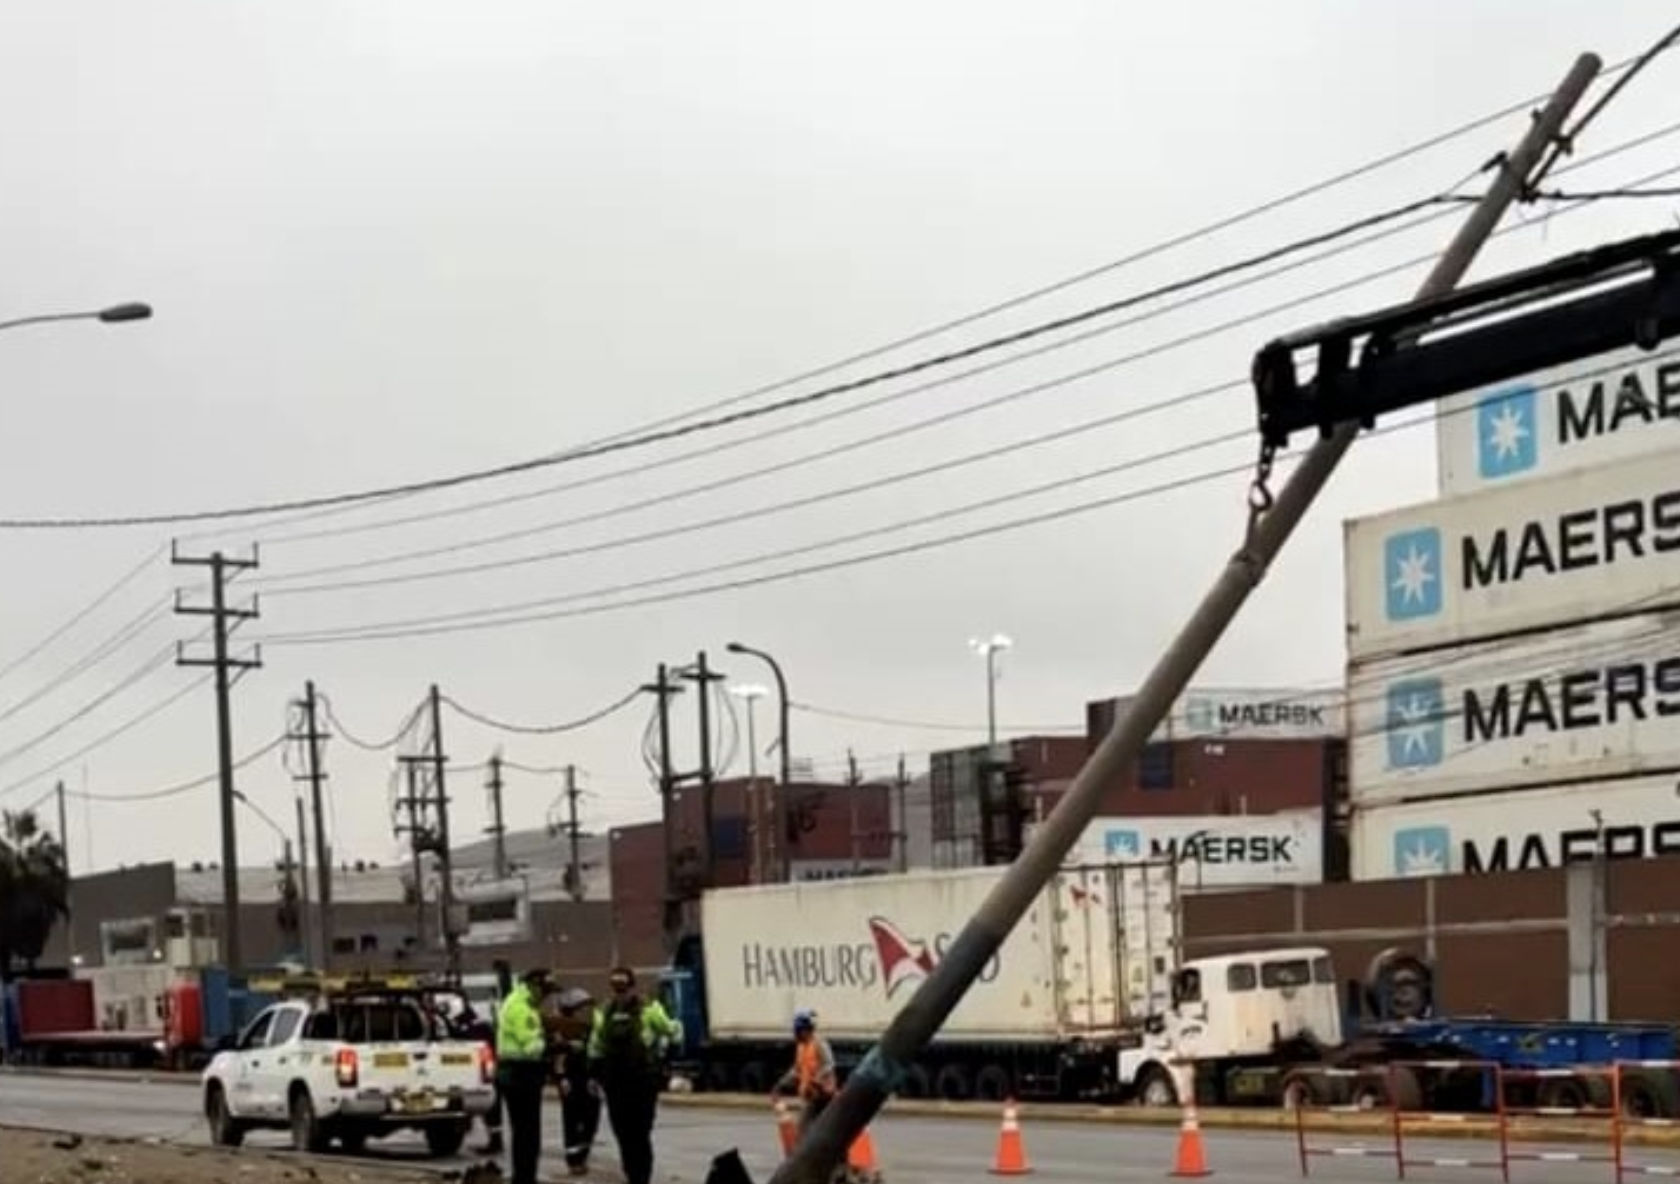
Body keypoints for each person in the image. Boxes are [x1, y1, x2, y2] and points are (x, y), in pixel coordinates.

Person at [588, 966, 680, 1184]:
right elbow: (673, 1031)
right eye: (618, 989)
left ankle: (637, 1177)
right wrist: (666, 1057)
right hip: (634, 1084)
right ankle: (637, 1177)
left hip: (627, 1084)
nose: (620, 993)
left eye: (622, 989)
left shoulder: (606, 1012)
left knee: (631, 1135)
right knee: (633, 1135)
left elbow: (594, 1048)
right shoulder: (647, 1009)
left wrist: (594, 1073)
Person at [496, 968, 554, 1184]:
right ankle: (525, 1178)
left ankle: (525, 1177)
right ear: (535, 986)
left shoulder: (518, 1002)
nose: (546, 997)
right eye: (545, 992)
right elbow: (531, 1047)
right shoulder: (521, 1008)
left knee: (524, 1133)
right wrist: (552, 1044)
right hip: (521, 1075)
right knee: (528, 1134)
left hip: (517, 1075)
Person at [554, 987, 602, 1176]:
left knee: (592, 1118)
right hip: (572, 1080)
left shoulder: (592, 1027)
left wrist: (597, 1077)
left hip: (590, 1079)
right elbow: (558, 1059)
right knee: (572, 1120)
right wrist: (561, 1079)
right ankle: (574, 1160)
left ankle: (583, 1152)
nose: (586, 1011)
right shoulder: (563, 1030)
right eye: (582, 1007)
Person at [773, 1009, 837, 1137]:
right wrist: (781, 1084)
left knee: (804, 1127)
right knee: (810, 1128)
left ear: (806, 1030)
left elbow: (829, 1065)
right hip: (811, 1095)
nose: (795, 1034)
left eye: (797, 1030)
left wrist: (818, 1079)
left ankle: (810, 1154)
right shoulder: (801, 1047)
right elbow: (797, 1070)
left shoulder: (819, 1044)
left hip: (823, 1095)